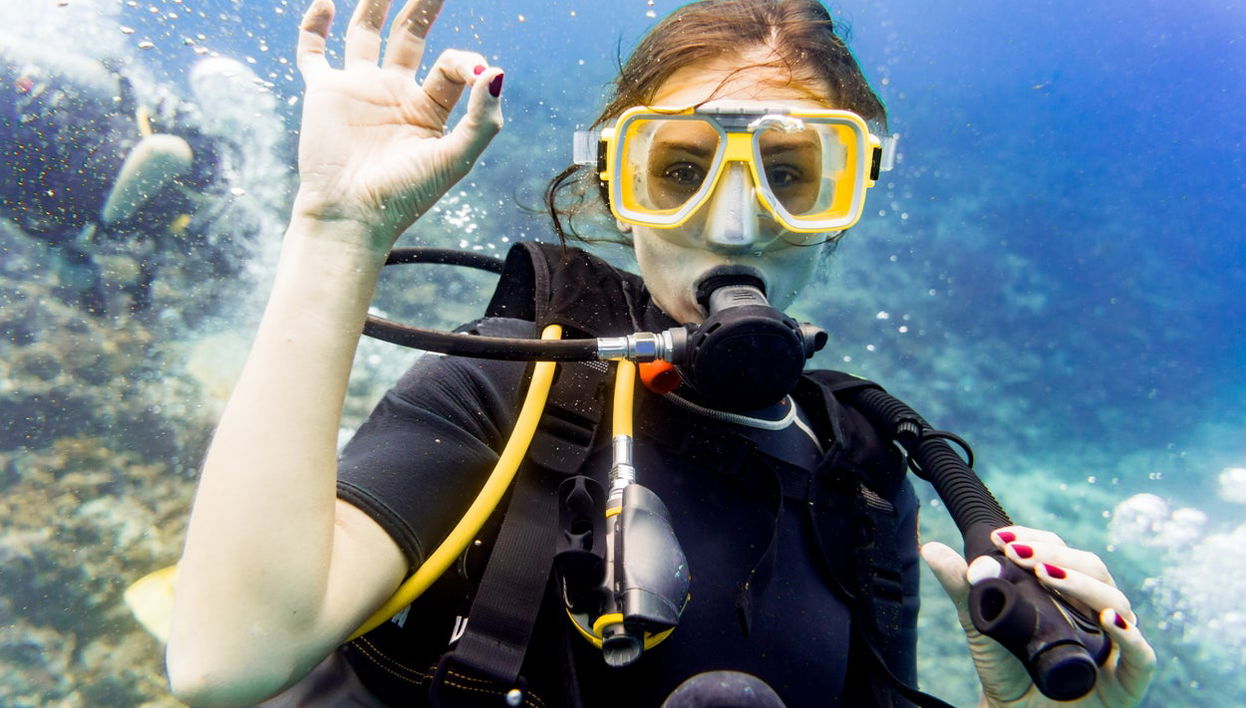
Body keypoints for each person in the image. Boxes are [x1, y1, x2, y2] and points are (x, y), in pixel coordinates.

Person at [166, 0, 1157, 706]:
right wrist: (338, 227)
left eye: (791, 175)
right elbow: (228, 658)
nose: (732, 223)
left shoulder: (862, 474)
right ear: (610, 188)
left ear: (842, 210)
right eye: (677, 170)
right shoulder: (512, 384)